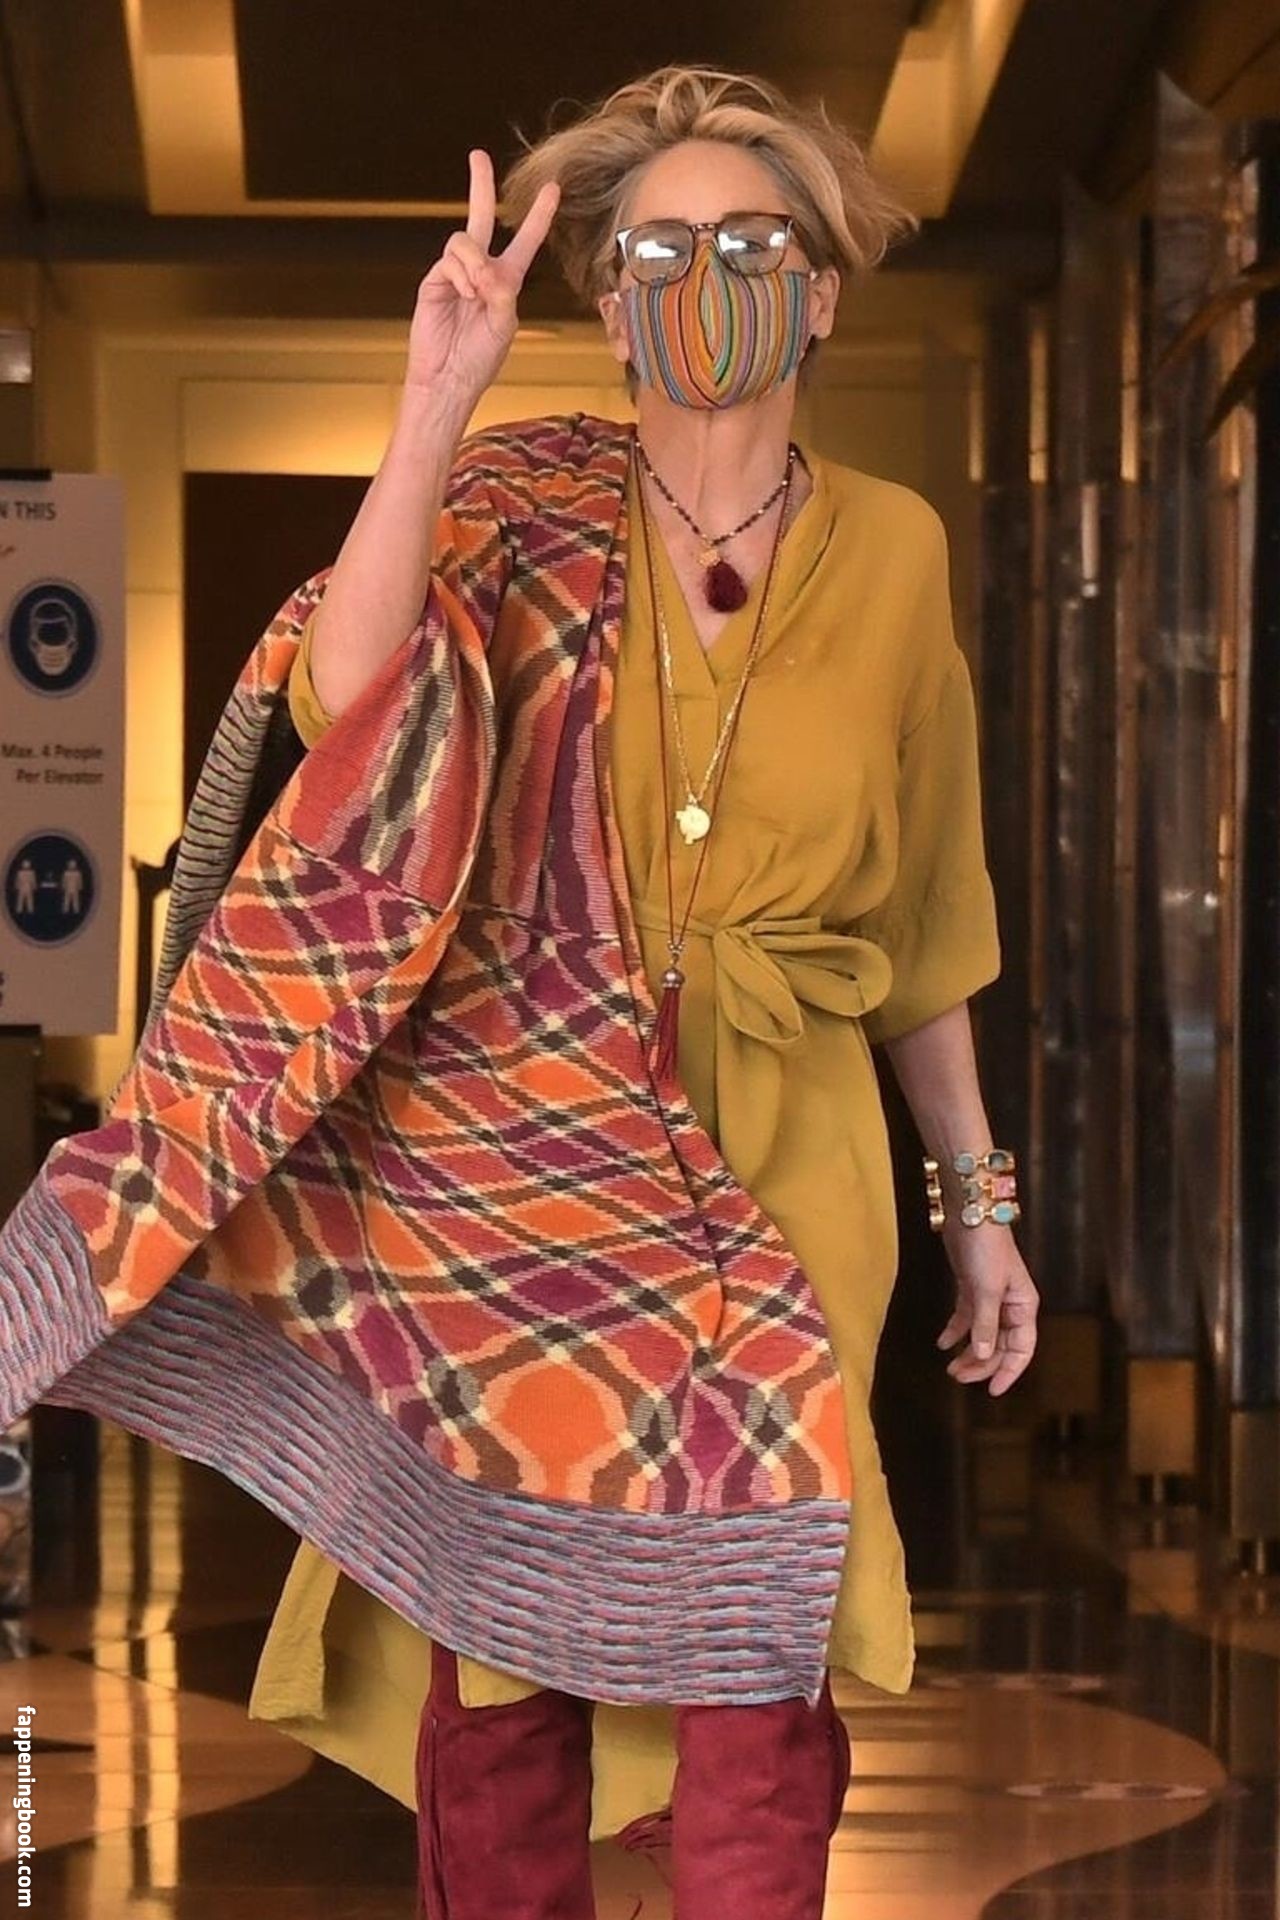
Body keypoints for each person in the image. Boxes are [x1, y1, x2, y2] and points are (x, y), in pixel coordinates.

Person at [245, 61, 1041, 1920]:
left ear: (819, 291)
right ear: (612, 308)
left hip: (795, 1151)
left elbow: (929, 912)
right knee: (507, 1646)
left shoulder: (898, 549)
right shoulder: (520, 508)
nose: (707, 283)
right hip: (531, 1128)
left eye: (750, 245)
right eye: (661, 253)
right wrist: (434, 403)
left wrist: (979, 1203)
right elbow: (345, 698)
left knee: (759, 1661)